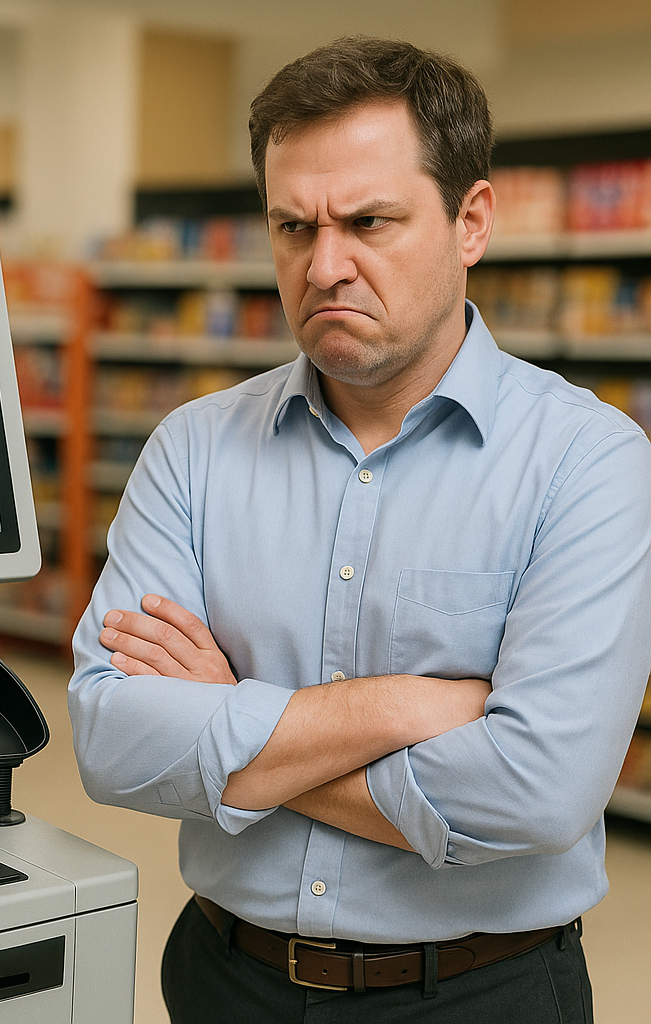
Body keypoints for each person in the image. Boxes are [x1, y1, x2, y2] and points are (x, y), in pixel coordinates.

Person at [68, 36, 651, 1024]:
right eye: (292, 226)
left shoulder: (590, 461)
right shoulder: (193, 449)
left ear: (472, 221)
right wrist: (401, 708)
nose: (323, 264)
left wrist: (231, 715)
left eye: (368, 221)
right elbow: (111, 740)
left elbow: (537, 791)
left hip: (481, 995)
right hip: (224, 979)